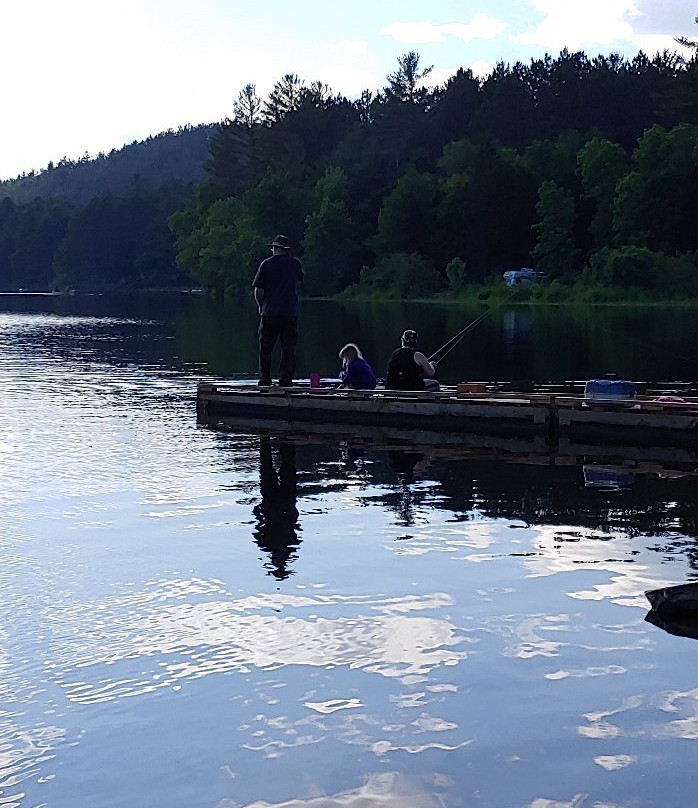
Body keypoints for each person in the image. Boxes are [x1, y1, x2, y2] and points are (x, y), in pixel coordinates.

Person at [252, 235, 304, 387]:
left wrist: (260, 306)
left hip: (269, 312)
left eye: (273, 248)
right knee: (288, 348)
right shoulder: (295, 263)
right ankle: (285, 380)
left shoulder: (266, 264)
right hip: (290, 312)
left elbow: (258, 290)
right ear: (287, 250)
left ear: (276, 249)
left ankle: (265, 379)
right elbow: (300, 278)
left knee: (265, 348)